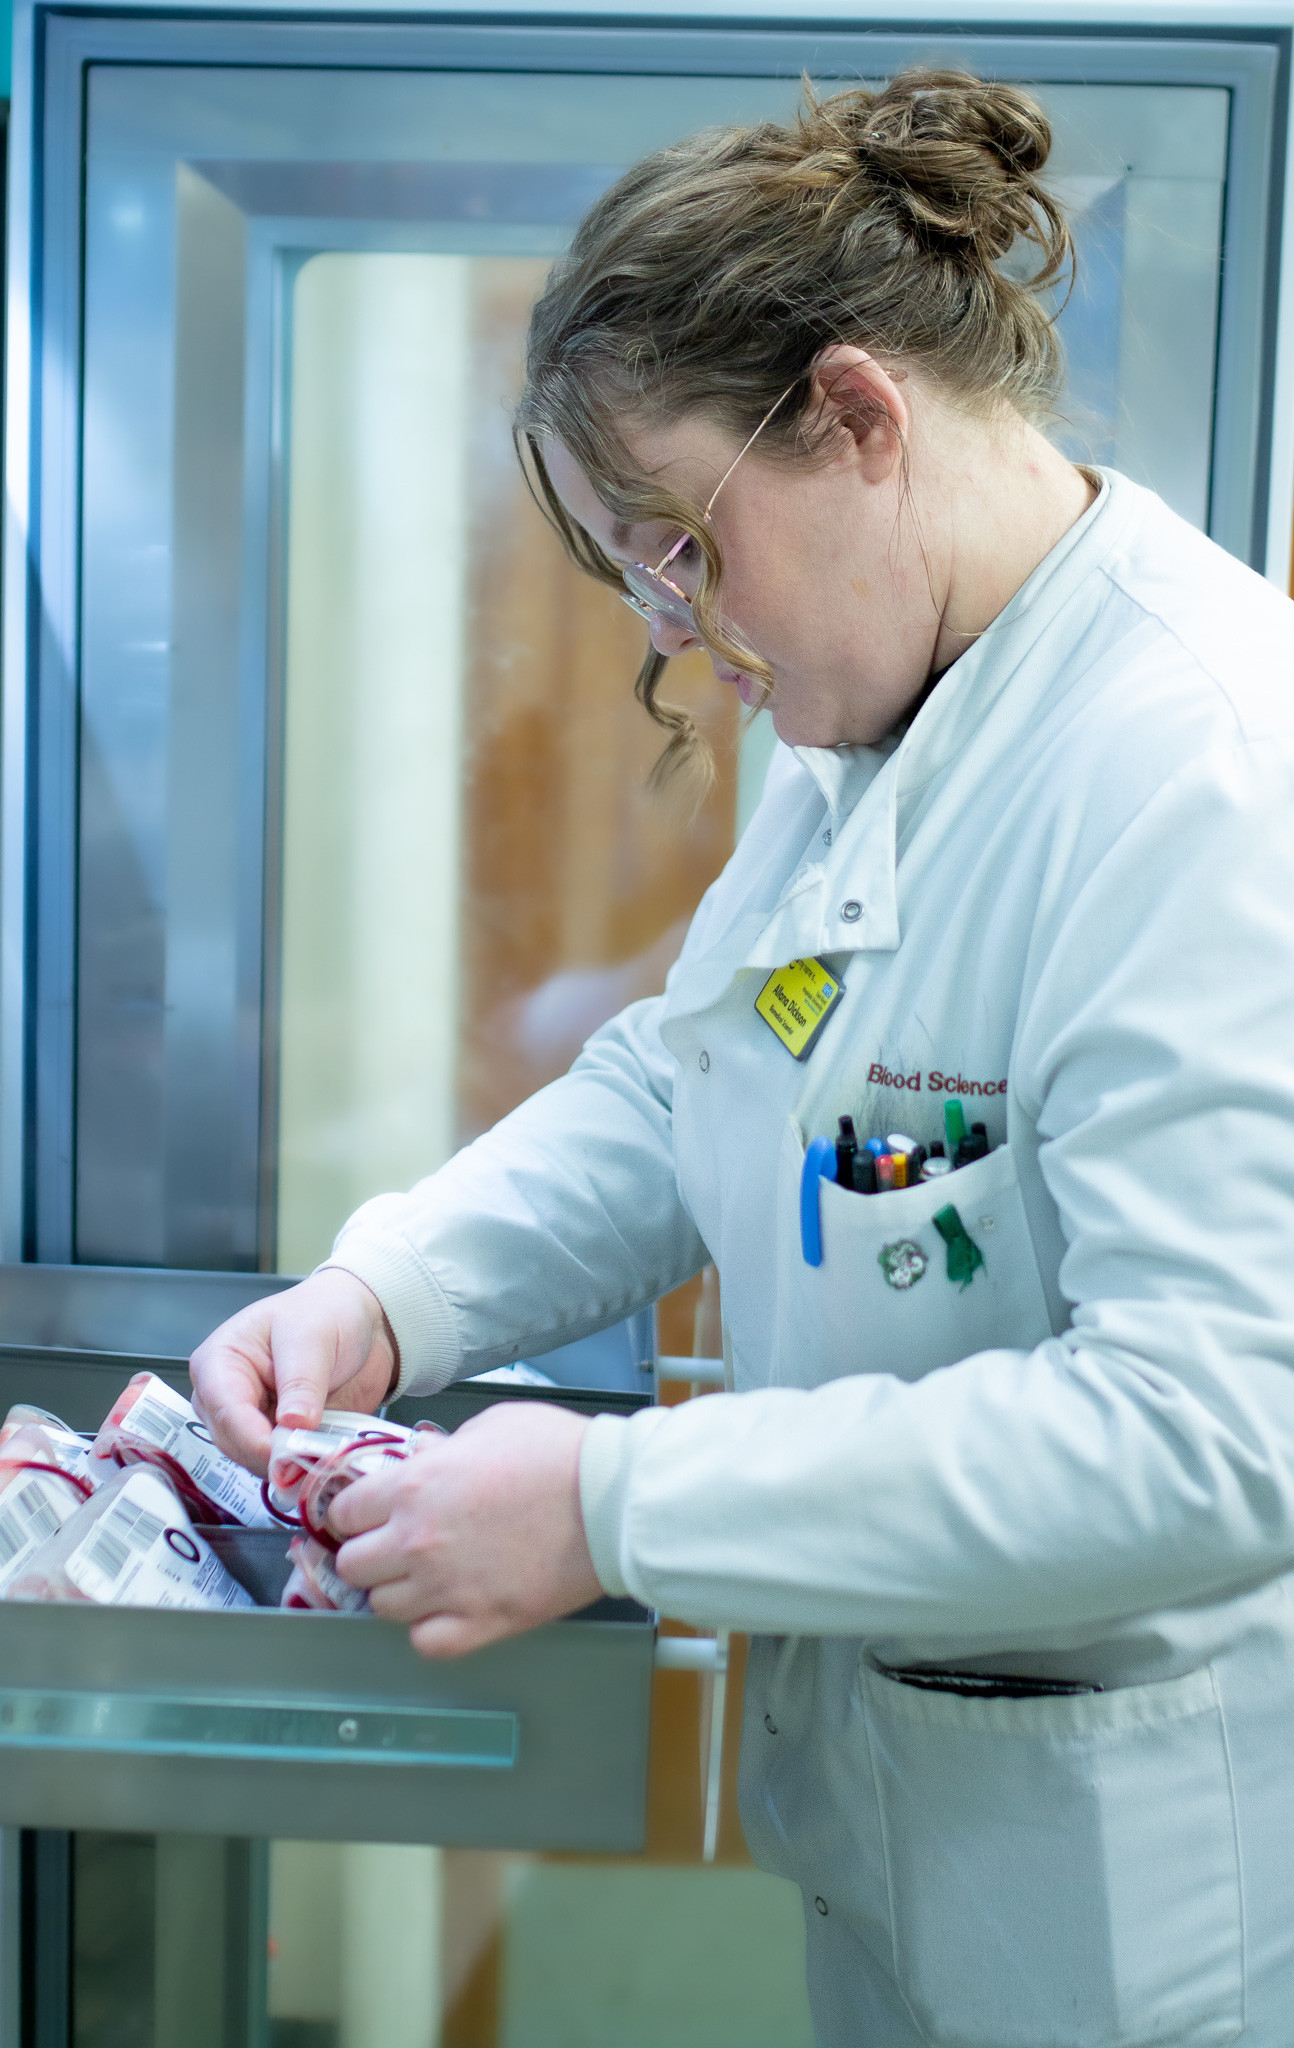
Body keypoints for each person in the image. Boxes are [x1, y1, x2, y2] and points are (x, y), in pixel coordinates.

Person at [192, 69, 1294, 2047]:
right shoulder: (857, 728)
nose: (685, 633)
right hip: (898, 1831)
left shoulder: (1197, 769)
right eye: (640, 579)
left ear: (857, 420)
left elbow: (1210, 1430)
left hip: (1139, 1919)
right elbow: (701, 1068)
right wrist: (395, 1287)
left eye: (685, 550)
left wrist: (610, 1505)